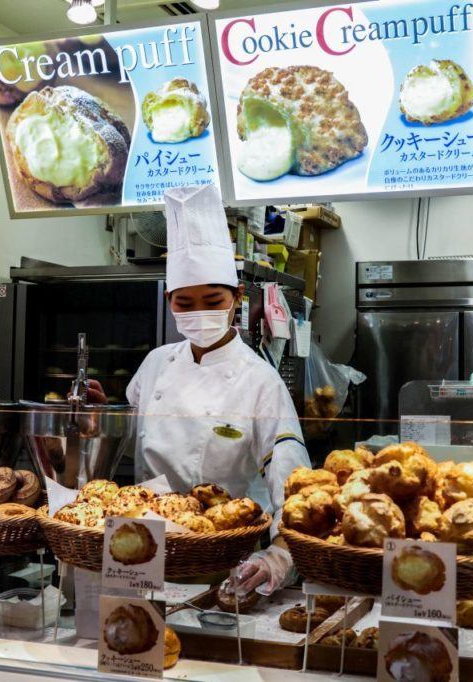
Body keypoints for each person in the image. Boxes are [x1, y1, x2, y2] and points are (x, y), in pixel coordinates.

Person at [86, 184, 310, 597]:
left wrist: (278, 558)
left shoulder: (260, 381)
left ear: (236, 298)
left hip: (222, 564)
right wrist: (107, 419)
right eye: (184, 304)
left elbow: (293, 484)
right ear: (169, 300)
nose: (198, 313)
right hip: (140, 551)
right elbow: (141, 442)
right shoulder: (157, 363)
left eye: (212, 300)